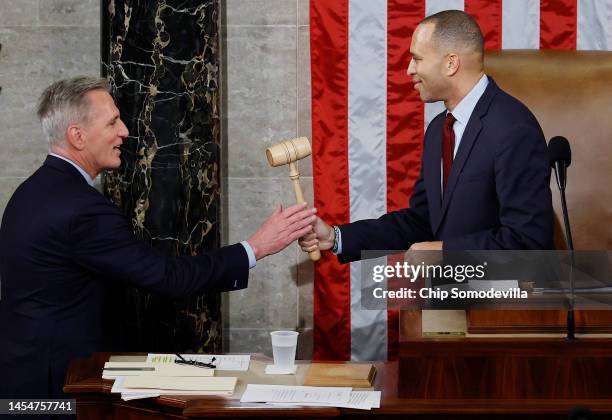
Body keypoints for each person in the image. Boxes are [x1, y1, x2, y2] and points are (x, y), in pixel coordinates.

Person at [0, 77, 316, 399]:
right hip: (56, 388)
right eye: (112, 122)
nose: (124, 131)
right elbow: (167, 277)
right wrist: (256, 247)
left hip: (24, 375)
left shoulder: (29, 193)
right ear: (77, 136)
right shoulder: (81, 209)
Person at [299, 10, 553, 262]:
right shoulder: (437, 130)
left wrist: (445, 253)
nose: (409, 69)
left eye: (417, 59)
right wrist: (336, 237)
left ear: (451, 63)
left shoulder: (513, 129)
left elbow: (529, 242)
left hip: (498, 297)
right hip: (449, 292)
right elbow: (424, 220)